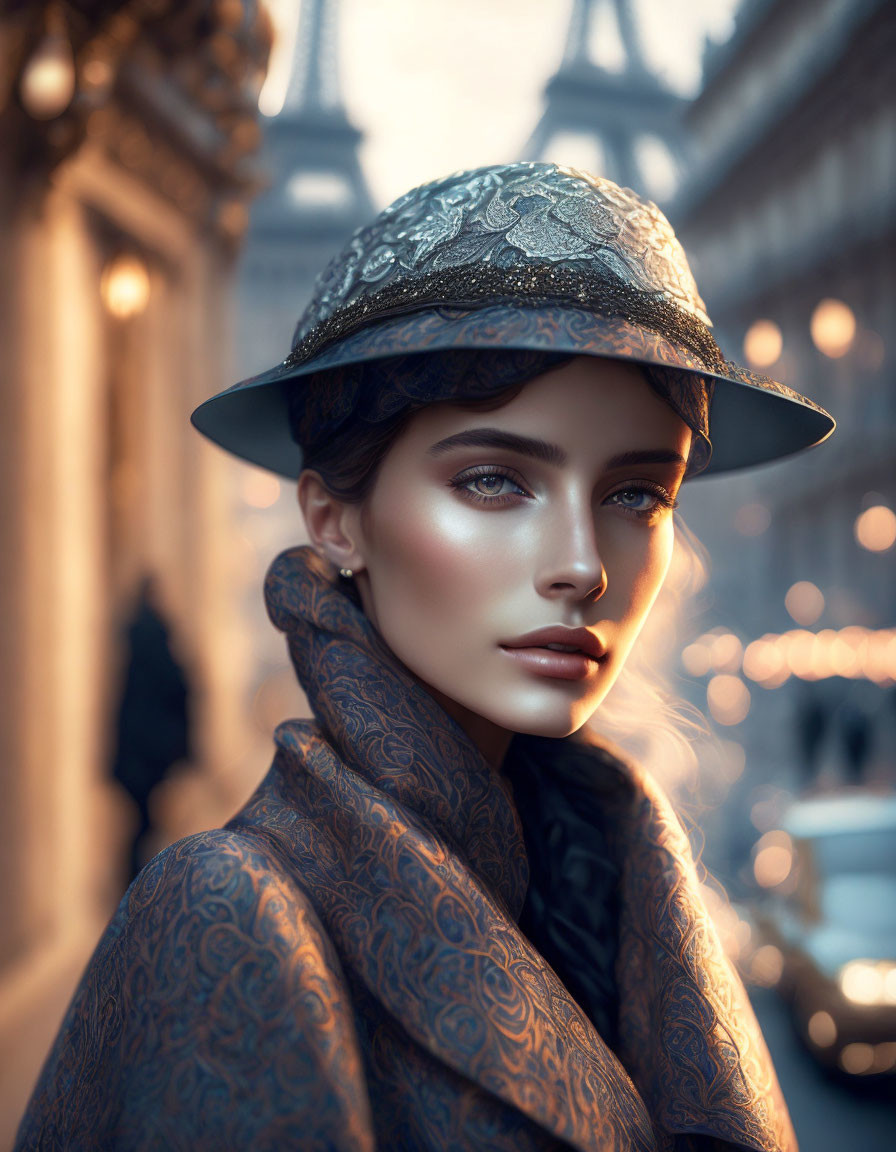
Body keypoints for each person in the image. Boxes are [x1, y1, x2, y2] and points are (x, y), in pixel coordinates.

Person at [17, 163, 834, 1151]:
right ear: (333, 520)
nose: (580, 567)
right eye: (494, 482)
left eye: (634, 496)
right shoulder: (229, 915)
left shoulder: (615, 869)